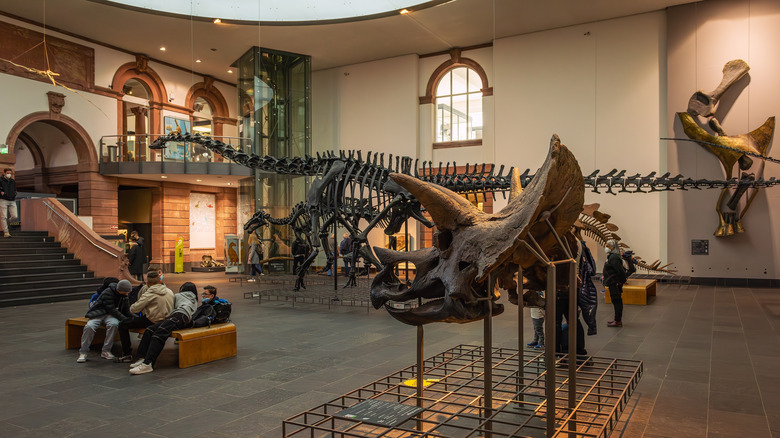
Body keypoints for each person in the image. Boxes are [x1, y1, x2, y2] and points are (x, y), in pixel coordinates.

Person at [129, 282, 198, 374]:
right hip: (183, 319)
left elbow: (170, 307)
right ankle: (143, 358)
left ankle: (147, 363)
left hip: (178, 316)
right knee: (150, 329)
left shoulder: (178, 295)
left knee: (159, 335)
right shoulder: (194, 299)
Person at [115, 269, 174, 362]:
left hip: (153, 320)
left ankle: (127, 354)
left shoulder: (149, 293)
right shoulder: (169, 291)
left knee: (123, 324)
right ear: (160, 281)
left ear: (147, 283)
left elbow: (134, 309)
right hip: (166, 321)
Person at [78, 279, 133, 362]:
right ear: (119, 290)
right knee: (89, 326)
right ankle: (83, 352)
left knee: (114, 324)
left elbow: (127, 311)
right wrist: (125, 319)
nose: (128, 294)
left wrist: (134, 319)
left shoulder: (124, 295)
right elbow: (112, 309)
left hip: (110, 315)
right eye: (126, 292)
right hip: (98, 313)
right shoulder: (108, 292)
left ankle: (106, 351)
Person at [603, 239, 633, 328]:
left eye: (608, 246)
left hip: (614, 283)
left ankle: (617, 320)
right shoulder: (612, 256)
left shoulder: (614, 257)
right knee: (616, 301)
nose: (606, 248)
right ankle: (616, 319)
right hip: (613, 282)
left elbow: (620, 271)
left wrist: (620, 282)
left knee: (617, 301)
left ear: (613, 247)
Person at [0, 168, 18, 238]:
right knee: (3, 216)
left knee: (15, 216)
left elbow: (15, 189)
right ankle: (6, 232)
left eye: (10, 173)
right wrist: (2, 193)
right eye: (8, 173)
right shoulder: (0, 180)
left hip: (12, 200)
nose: (9, 174)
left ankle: (6, 224)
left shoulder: (13, 181)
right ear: (4, 173)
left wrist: (15, 193)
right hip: (3, 200)